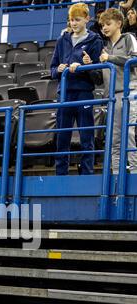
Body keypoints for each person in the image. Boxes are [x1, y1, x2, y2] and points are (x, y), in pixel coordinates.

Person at [50, 2, 103, 175]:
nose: (73, 23)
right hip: (64, 94)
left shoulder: (95, 40)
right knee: (62, 137)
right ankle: (61, 174)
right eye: (71, 20)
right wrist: (58, 70)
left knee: (86, 136)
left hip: (84, 94)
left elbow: (98, 76)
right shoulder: (62, 40)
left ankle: (87, 173)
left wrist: (87, 65)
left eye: (77, 20)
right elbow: (52, 69)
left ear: (87, 19)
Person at [98, 8, 137, 173]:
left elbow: (134, 60)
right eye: (102, 25)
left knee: (130, 134)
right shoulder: (104, 48)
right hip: (113, 97)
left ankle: (135, 172)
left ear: (119, 23)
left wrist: (110, 58)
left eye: (108, 24)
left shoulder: (129, 38)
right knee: (113, 139)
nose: (104, 28)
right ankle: (116, 175)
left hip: (130, 91)